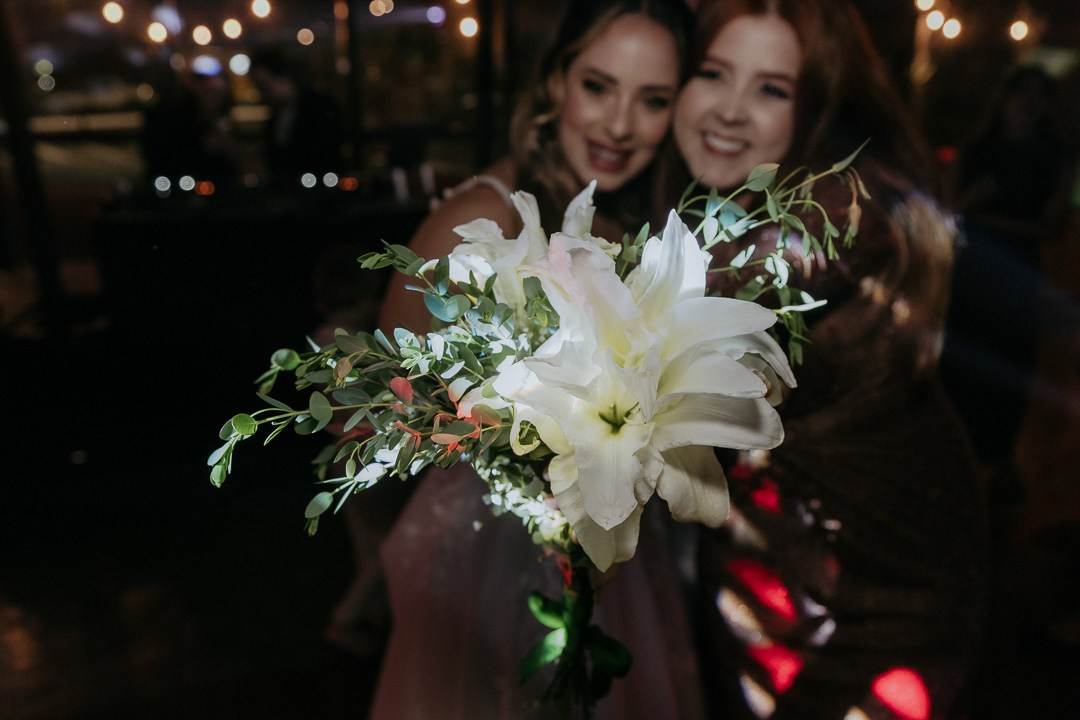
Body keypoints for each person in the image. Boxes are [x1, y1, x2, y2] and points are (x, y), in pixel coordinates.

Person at [367, 1, 704, 718]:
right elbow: (374, 413)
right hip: (489, 564)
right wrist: (510, 442)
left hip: (614, 558)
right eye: (597, 86)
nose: (619, 124)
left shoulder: (638, 218)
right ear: (556, 81)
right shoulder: (472, 225)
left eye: (652, 100)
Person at [664, 1, 990, 718]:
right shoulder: (719, 206)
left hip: (880, 614)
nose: (729, 109)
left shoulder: (833, 210)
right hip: (789, 588)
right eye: (713, 73)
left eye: (772, 89)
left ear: (818, 107)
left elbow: (658, 333)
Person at [941, 64, 1078, 500]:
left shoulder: (1055, 156)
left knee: (1009, 366)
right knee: (961, 362)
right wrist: (974, 206)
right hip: (972, 274)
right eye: (1022, 91)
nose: (1029, 101)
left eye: (1040, 93)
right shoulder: (979, 149)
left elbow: (1052, 225)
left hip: (1018, 273)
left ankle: (997, 462)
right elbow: (949, 213)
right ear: (1005, 96)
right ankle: (955, 457)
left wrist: (985, 219)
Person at [248, 46, 344, 188]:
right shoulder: (276, 116)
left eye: (265, 85)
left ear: (283, 77)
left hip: (320, 190)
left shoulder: (318, 107)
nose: (263, 93)